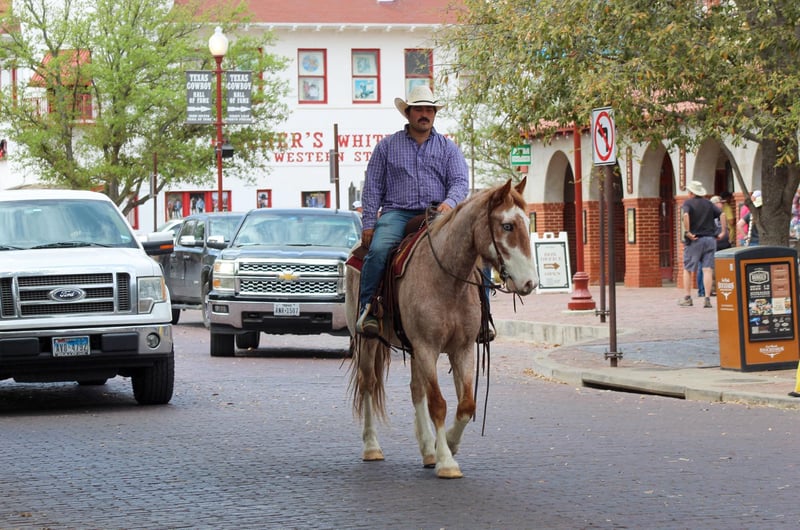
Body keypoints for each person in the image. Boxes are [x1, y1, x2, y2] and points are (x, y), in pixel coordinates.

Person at [355, 85, 469, 336]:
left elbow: (460, 181)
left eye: (429, 109)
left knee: (473, 249)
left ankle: (481, 318)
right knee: (379, 251)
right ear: (408, 113)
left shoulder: (448, 148)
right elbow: (372, 187)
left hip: (437, 213)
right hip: (397, 213)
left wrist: (449, 203)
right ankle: (368, 309)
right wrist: (369, 224)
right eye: (419, 109)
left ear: (434, 114)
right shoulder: (386, 147)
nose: (424, 114)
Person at [679, 181, 725, 308]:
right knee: (707, 269)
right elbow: (722, 214)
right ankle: (707, 298)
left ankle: (687, 297)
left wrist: (688, 231)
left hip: (695, 239)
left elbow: (686, 215)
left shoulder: (688, 203)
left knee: (688, 269)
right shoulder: (709, 203)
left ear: (692, 192)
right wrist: (723, 231)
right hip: (710, 239)